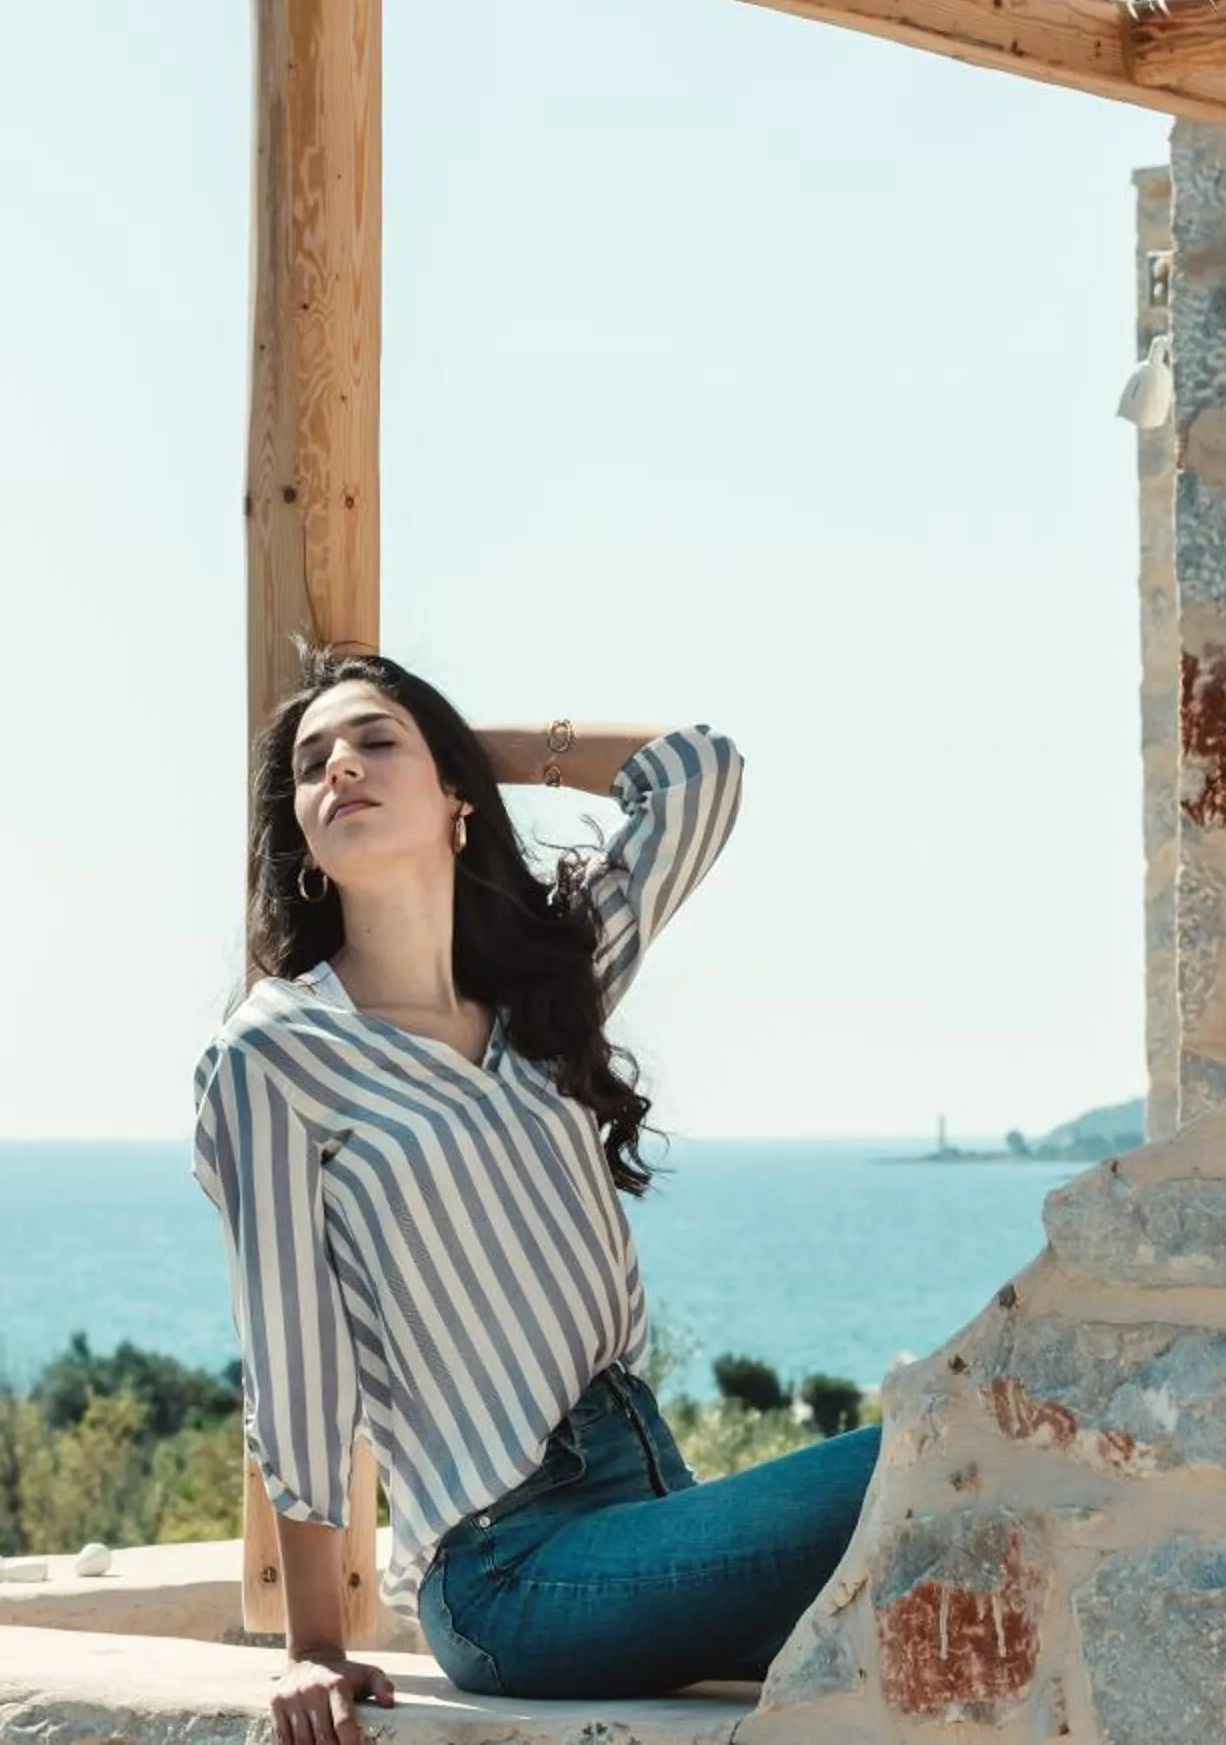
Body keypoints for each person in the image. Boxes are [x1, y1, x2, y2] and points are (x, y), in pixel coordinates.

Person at [191, 648, 880, 1742]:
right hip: (511, 1570)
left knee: (964, 1565)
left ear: (457, 800)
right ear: (305, 845)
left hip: (652, 1512)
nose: (342, 770)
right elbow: (293, 1355)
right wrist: (313, 1646)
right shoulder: (275, 1053)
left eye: (376, 743)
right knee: (929, 1445)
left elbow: (698, 773)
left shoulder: (547, 992)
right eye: (312, 764)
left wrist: (477, 745)